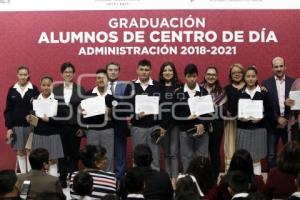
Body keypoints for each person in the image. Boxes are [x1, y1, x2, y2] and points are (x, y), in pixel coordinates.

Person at [123, 59, 164, 171]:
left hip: (154, 127)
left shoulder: (158, 86)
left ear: (150, 71)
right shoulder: (130, 86)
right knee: (138, 157)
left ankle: (154, 183)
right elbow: (126, 106)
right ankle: (138, 182)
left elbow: (163, 107)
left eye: (146, 70)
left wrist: (161, 126)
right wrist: (135, 115)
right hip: (137, 127)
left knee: (155, 157)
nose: (144, 72)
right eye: (141, 69)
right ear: (137, 70)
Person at [232, 66, 272, 176]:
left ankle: (257, 184)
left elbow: (270, 110)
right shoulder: (239, 93)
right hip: (242, 130)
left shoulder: (263, 93)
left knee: (256, 159)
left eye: (253, 76)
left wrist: (261, 117)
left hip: (259, 129)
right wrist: (239, 116)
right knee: (243, 158)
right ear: (244, 78)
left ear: (257, 77)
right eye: (248, 76)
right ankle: (244, 185)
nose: (250, 79)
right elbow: (233, 111)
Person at [53, 62, 85, 187]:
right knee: (61, 153)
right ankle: (62, 177)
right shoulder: (55, 89)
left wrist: (82, 127)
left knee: (74, 153)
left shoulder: (80, 89)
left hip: (75, 127)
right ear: (61, 74)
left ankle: (73, 178)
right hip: (59, 126)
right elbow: (52, 108)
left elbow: (83, 110)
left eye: (70, 72)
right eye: (66, 72)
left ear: (74, 74)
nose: (68, 74)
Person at [173, 63, 209, 172]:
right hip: (185, 130)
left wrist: (203, 124)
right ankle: (187, 183)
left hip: (201, 131)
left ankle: (202, 183)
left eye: (194, 76)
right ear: (185, 77)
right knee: (186, 158)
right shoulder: (178, 92)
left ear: (197, 76)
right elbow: (174, 114)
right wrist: (186, 118)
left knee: (202, 158)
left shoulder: (203, 92)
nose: (192, 79)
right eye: (189, 76)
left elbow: (208, 113)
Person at [4, 66, 39, 173]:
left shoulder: (34, 89)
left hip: (31, 127)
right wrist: (9, 128)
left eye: (25, 74)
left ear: (28, 75)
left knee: (30, 151)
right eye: (21, 74)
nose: (23, 77)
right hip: (16, 127)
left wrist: (32, 117)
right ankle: (24, 175)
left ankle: (30, 175)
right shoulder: (12, 90)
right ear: (17, 75)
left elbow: (38, 108)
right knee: (20, 152)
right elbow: (8, 110)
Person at [262, 56, 295, 170]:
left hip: (289, 123)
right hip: (272, 123)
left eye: (281, 66)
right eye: (276, 66)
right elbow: (265, 106)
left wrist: (286, 118)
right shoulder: (265, 83)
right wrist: (277, 119)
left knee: (290, 154)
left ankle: (289, 179)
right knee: (271, 155)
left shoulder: (294, 82)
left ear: (285, 67)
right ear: (272, 69)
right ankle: (272, 179)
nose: (279, 68)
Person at [29, 76, 64, 177]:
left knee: (52, 160)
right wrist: (29, 118)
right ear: (40, 85)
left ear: (52, 86)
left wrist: (49, 119)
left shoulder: (58, 100)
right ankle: (39, 183)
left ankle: (52, 183)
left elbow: (62, 118)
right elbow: (31, 115)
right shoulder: (34, 99)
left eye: (48, 85)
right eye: (44, 85)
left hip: (53, 134)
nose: (46, 87)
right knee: (38, 161)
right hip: (38, 133)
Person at [82, 69, 115, 172]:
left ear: (108, 79)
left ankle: (108, 178)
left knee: (108, 156)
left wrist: (110, 111)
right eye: (98, 78)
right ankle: (93, 178)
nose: (101, 80)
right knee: (92, 156)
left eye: (103, 78)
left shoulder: (113, 95)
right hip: (92, 130)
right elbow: (83, 114)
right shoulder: (88, 94)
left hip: (108, 130)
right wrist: (83, 112)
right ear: (95, 80)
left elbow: (118, 114)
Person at [201, 65, 227, 182]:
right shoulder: (199, 88)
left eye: (213, 75)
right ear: (205, 76)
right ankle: (202, 177)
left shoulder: (221, 91)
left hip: (216, 126)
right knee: (202, 152)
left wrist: (206, 110)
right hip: (201, 125)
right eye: (209, 74)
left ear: (216, 77)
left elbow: (221, 110)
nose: (211, 77)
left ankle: (214, 178)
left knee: (214, 152)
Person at [158, 61, 182, 186]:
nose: (167, 72)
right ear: (162, 73)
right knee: (166, 154)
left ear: (174, 72)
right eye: (165, 70)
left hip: (174, 125)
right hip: (161, 126)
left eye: (170, 70)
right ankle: (167, 180)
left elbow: (179, 107)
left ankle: (175, 180)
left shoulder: (180, 87)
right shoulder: (157, 86)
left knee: (173, 154)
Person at [106, 62, 129, 180]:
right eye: (110, 69)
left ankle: (119, 179)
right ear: (107, 71)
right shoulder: (101, 85)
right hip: (104, 123)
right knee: (106, 152)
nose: (113, 72)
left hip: (120, 122)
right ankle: (107, 178)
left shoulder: (125, 86)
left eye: (115, 70)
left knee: (120, 151)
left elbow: (126, 104)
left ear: (119, 72)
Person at [224, 63, 245, 170]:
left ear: (243, 73)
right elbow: (221, 106)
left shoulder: (251, 86)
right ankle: (230, 174)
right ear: (230, 75)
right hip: (231, 123)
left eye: (239, 72)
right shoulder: (226, 89)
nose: (236, 74)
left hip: (247, 123)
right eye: (234, 73)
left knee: (245, 148)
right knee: (230, 149)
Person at [285, 78, 300, 142]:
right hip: (297, 124)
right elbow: (290, 98)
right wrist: (287, 102)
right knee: (295, 150)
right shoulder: (297, 82)